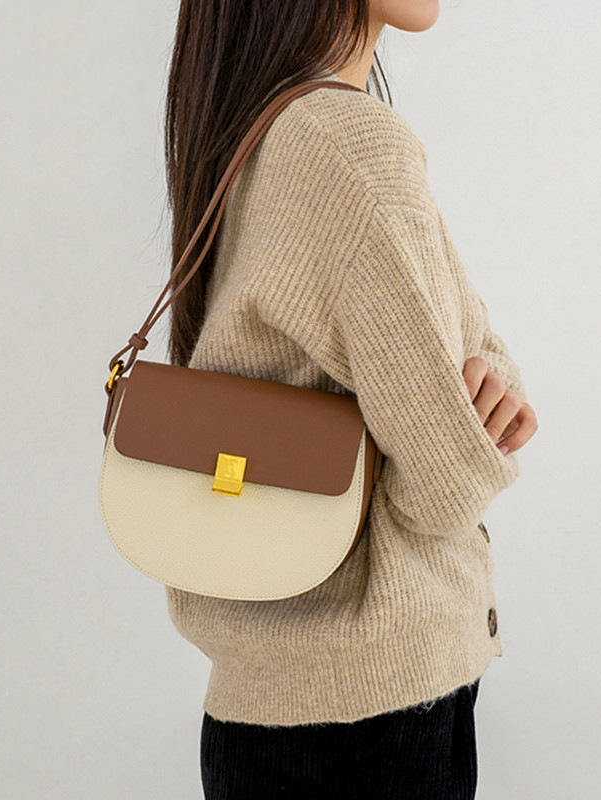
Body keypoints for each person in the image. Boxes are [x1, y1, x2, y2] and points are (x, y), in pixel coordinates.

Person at [160, 1, 538, 797]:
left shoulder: (261, 129)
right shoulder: (348, 144)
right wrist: (476, 419)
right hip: (373, 723)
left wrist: (475, 389)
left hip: (267, 716)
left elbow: (470, 357)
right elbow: (449, 476)